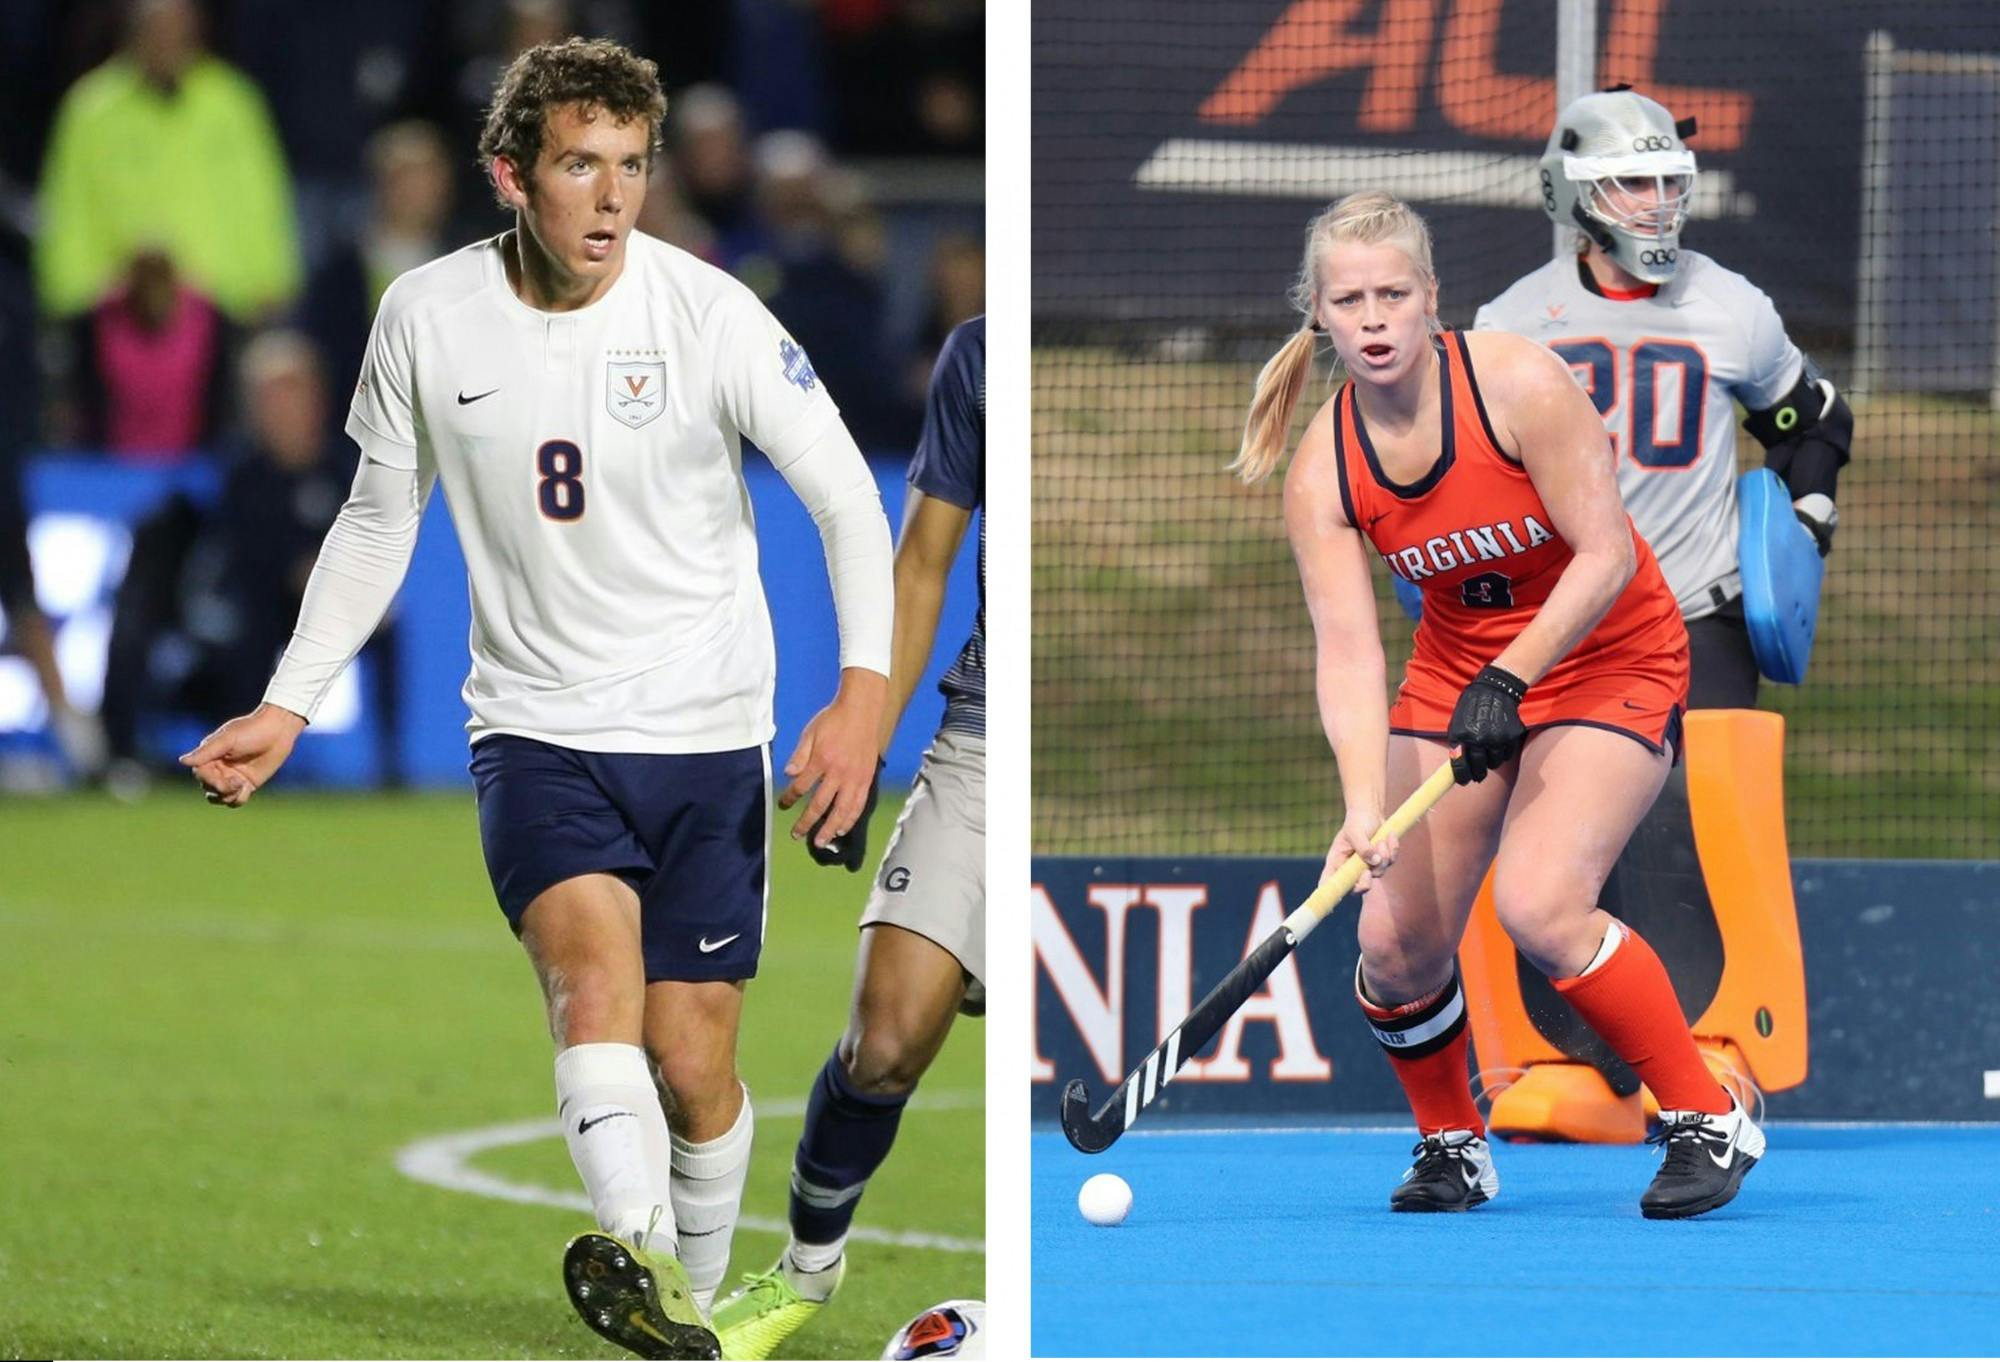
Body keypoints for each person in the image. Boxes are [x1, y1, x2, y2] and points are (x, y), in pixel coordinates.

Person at [179, 38, 893, 1361]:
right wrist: (289, 700)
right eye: (582, 166)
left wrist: (861, 699)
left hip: (705, 727)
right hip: (534, 728)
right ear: (513, 174)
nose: (613, 198)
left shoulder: (708, 312)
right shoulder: (426, 315)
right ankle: (634, 1254)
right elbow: (378, 520)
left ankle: (690, 1295)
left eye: (631, 166)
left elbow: (851, 502)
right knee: (588, 990)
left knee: (694, 1069)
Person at [1237, 191, 1762, 1219]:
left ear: (1433, 299)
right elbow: (1346, 653)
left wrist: (1511, 677)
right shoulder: (1322, 472)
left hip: (1609, 653)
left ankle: (1706, 1117)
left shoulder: (1518, 383)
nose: (1374, 318)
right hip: (1457, 677)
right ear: (1319, 316)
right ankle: (1450, 1145)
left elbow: (1606, 552)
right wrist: (1357, 807)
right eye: (1349, 300)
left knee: (1537, 902)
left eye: (1393, 293)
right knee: (1389, 941)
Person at [1468, 88, 1851, 1135]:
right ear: (1577, 197)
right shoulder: (1509, 327)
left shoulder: (1730, 306)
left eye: (1665, 182)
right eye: (1628, 184)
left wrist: (1803, 520)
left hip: (1693, 614)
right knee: (1551, 840)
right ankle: (1577, 1064)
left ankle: (1718, 1049)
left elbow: (1809, 418)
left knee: (1701, 827)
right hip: (1565, 627)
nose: (1652, 204)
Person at [711, 315, 984, 1358]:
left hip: (1098, 750)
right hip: (983, 741)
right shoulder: (980, 356)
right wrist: (865, 731)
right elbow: (921, 563)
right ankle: (802, 1274)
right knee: (884, 1040)